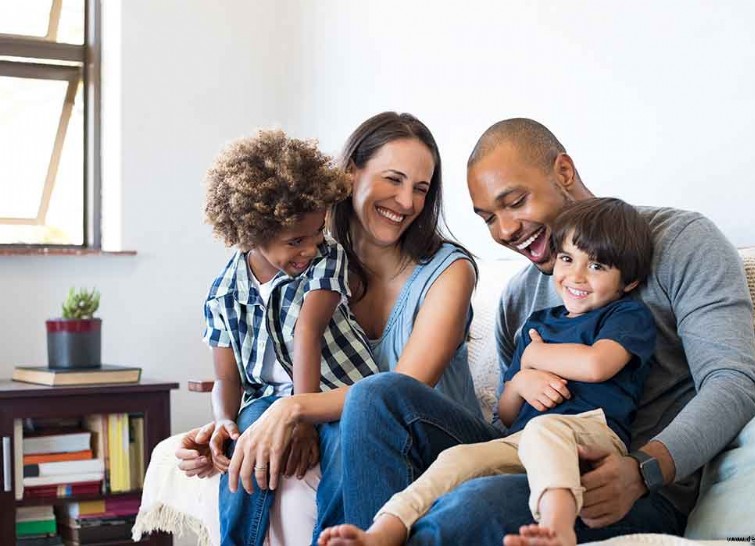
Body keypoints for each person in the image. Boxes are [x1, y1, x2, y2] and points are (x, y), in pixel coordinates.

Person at [332, 118, 755, 545]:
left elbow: (733, 383)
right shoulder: (520, 297)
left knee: (468, 508)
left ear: (563, 172)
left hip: (625, 484)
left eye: (515, 202)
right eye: (488, 219)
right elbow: (509, 419)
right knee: (377, 396)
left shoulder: (682, 242)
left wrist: (644, 470)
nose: (504, 231)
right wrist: (521, 382)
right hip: (530, 454)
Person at [176, 112, 484, 545]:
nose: (407, 202)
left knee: (363, 409)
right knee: (261, 433)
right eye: (393, 179)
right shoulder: (308, 260)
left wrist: (294, 408)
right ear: (350, 173)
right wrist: (228, 427)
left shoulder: (448, 272)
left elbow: (400, 391)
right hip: (349, 423)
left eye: (420, 188)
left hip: (433, 437)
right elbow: (264, 364)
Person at [319, 197, 656, 546]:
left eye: (597, 266)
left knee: (545, 428)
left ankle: (558, 529)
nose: (576, 276)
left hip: (592, 435)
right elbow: (507, 413)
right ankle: (383, 531)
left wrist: (535, 357)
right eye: (567, 259)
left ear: (628, 282)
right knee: (457, 458)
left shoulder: (624, 315)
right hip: (521, 441)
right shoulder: (538, 324)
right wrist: (522, 379)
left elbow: (597, 364)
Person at [201, 129, 381, 544]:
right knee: (245, 444)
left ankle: (336, 538)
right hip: (266, 400)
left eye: (317, 232)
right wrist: (223, 421)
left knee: (343, 447)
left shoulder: (326, 258)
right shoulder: (224, 293)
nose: (310, 248)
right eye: (295, 241)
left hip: (338, 392)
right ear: (251, 232)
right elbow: (227, 378)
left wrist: (301, 417)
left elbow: (308, 331)